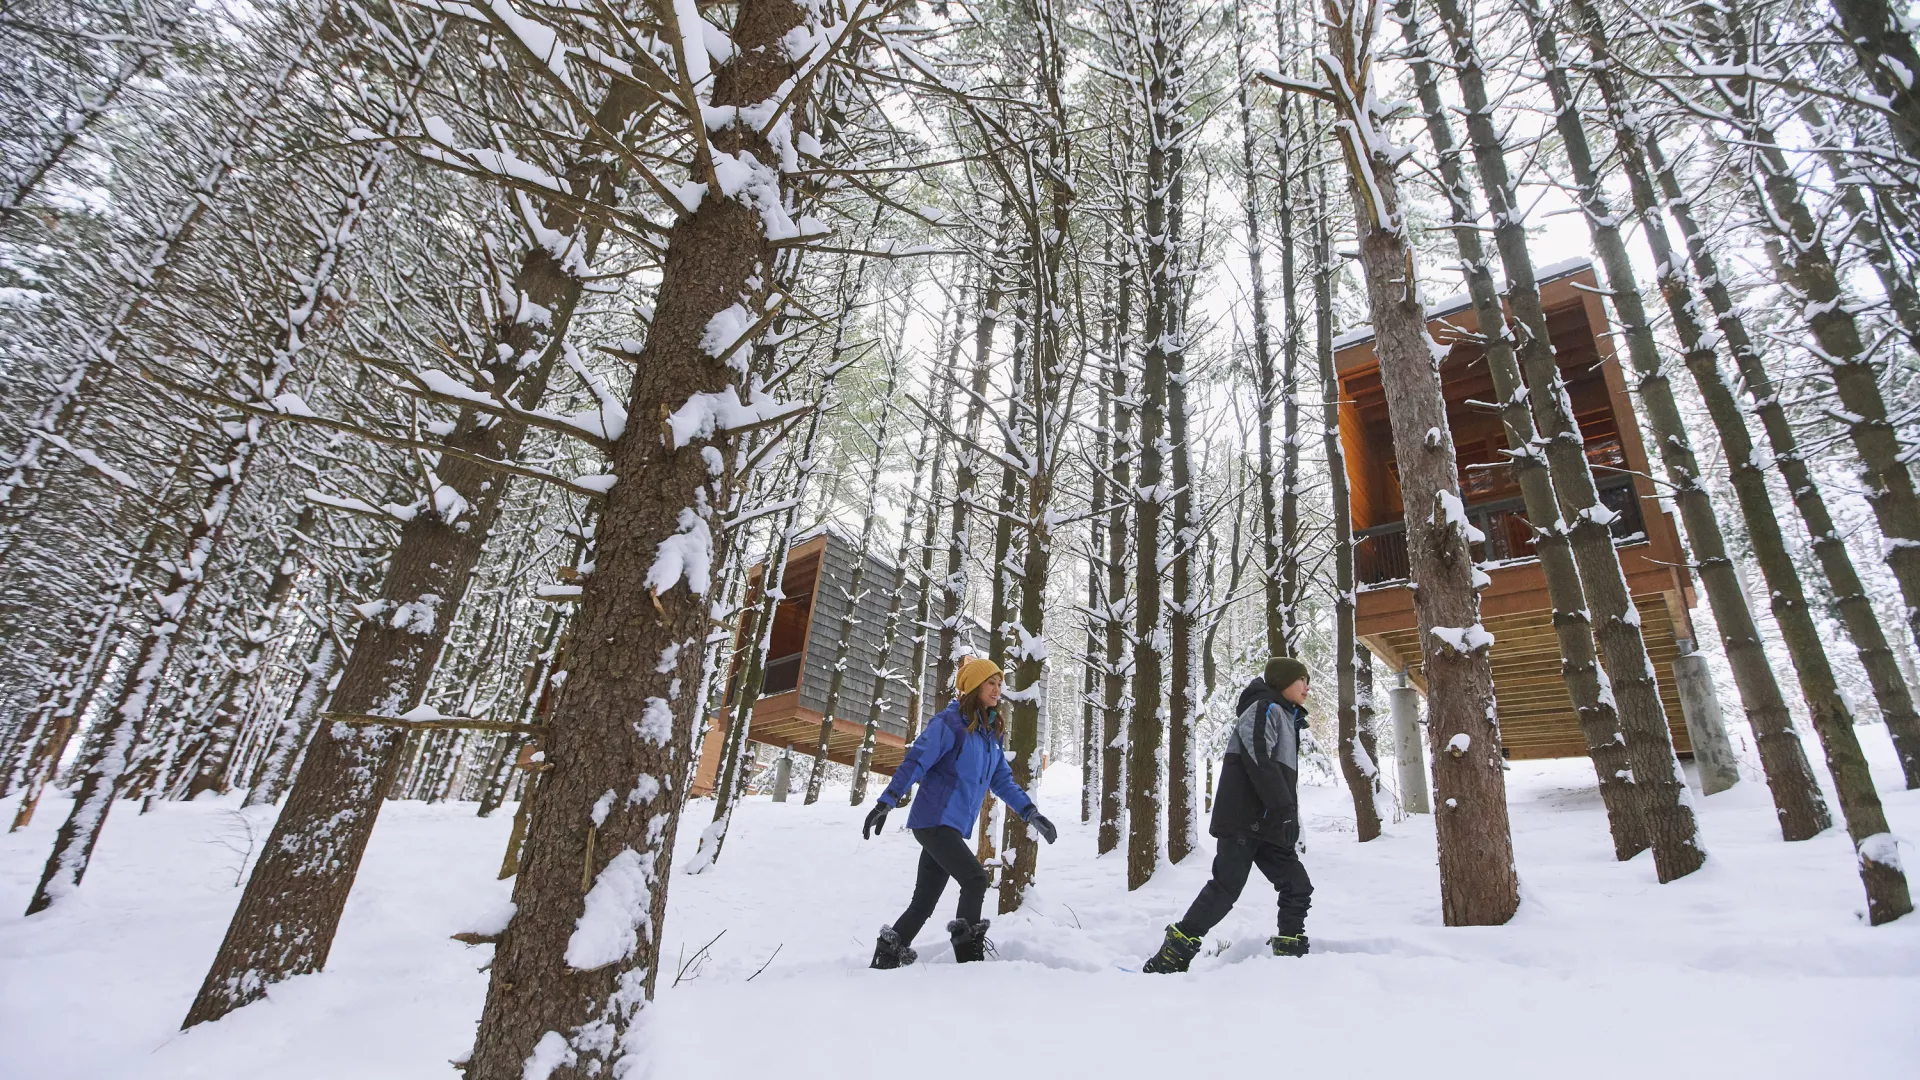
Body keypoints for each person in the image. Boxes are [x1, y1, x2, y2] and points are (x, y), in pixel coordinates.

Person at [860, 657, 1057, 967]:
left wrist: (1031, 813)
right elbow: (917, 761)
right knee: (976, 880)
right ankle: (968, 957)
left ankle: (887, 955)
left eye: (999, 682)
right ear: (975, 687)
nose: (997, 688)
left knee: (924, 902)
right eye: (990, 683)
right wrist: (887, 800)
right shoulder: (949, 723)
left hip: (946, 826)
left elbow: (1002, 781)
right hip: (934, 820)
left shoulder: (990, 734)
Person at [1143, 657, 1315, 972]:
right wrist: (1283, 808)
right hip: (1242, 820)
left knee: (1297, 884)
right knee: (1226, 888)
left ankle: (1291, 959)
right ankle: (1172, 955)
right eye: (1301, 679)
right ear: (1282, 682)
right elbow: (1257, 755)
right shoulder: (1263, 708)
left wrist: (1285, 815)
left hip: (1269, 823)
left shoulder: (1285, 716)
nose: (1307, 687)